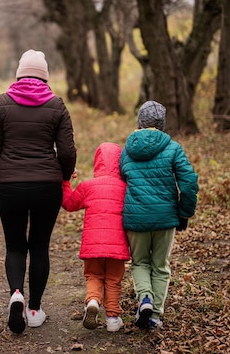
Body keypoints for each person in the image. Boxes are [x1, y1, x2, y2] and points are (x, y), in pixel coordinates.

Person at [0, 49, 77, 333]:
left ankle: (16, 295)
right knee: (39, 246)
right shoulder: (57, 105)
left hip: (10, 185)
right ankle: (34, 309)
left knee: (14, 246)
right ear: (45, 77)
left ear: (19, 73)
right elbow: (68, 151)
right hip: (47, 186)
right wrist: (60, 176)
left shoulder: (1, 103)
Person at [120, 100, 199, 331]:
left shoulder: (127, 150)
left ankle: (144, 297)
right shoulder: (173, 148)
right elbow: (189, 182)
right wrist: (184, 213)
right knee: (160, 266)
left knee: (140, 262)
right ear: (162, 124)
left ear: (139, 123)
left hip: (136, 219)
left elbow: (123, 179)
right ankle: (154, 315)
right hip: (165, 217)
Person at [62, 142, 130, 332]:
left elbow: (69, 203)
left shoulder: (88, 186)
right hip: (117, 245)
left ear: (97, 162)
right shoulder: (125, 187)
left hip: (93, 246)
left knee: (93, 275)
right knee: (114, 280)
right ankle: (113, 319)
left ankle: (92, 300)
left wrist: (65, 182)